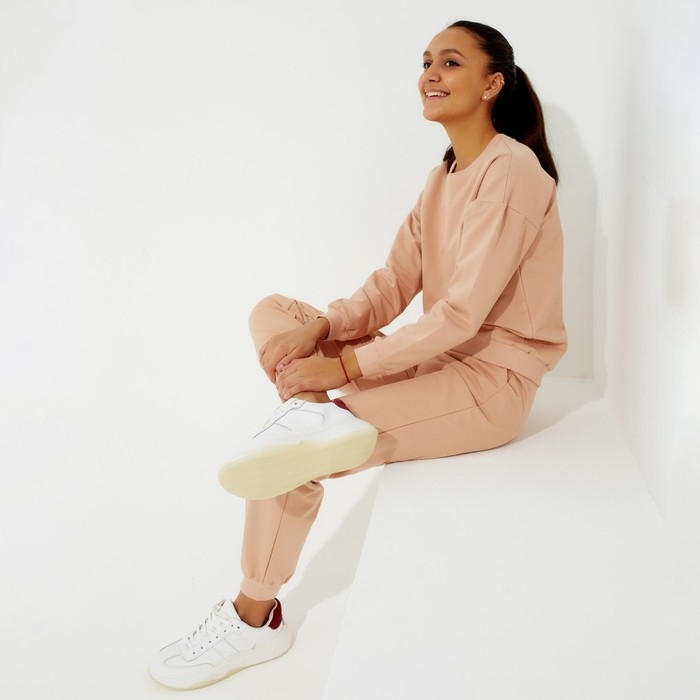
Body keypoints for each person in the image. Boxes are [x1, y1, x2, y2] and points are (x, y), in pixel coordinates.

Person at [148, 20, 567, 690]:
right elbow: (393, 285)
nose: (430, 74)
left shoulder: (511, 169)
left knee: (287, 455)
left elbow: (461, 315)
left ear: (493, 83)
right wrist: (320, 332)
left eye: (450, 62)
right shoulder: (442, 179)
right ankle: (316, 413)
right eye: (426, 61)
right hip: (434, 360)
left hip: (491, 381)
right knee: (274, 312)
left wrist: (344, 368)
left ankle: (254, 618)